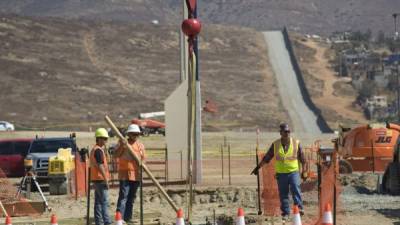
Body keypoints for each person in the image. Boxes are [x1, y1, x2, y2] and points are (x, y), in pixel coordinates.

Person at [251, 123, 306, 221]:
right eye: (285, 131)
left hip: (293, 172)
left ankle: (299, 208)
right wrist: (257, 168)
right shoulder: (275, 145)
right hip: (281, 174)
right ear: (280, 133)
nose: (287, 133)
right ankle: (285, 213)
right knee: (283, 194)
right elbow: (267, 158)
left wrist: (304, 171)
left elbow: (303, 159)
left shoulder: (296, 143)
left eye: (288, 131)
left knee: (295, 189)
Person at [114, 124, 146, 223]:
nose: (135, 136)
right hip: (124, 174)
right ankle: (120, 218)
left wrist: (142, 172)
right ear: (129, 134)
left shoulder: (140, 146)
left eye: (137, 134)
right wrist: (122, 146)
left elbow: (143, 160)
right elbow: (116, 154)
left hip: (136, 176)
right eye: (133, 134)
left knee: (131, 198)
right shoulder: (123, 143)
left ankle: (128, 218)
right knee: (123, 196)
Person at [90, 128, 112, 225]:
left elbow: (105, 162)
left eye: (106, 139)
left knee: (98, 202)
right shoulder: (98, 150)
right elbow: (100, 165)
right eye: (104, 139)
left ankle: (99, 222)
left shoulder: (97, 149)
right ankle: (107, 222)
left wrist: (106, 151)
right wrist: (106, 179)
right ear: (98, 139)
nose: (105, 141)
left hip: (96, 179)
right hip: (101, 179)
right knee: (104, 202)